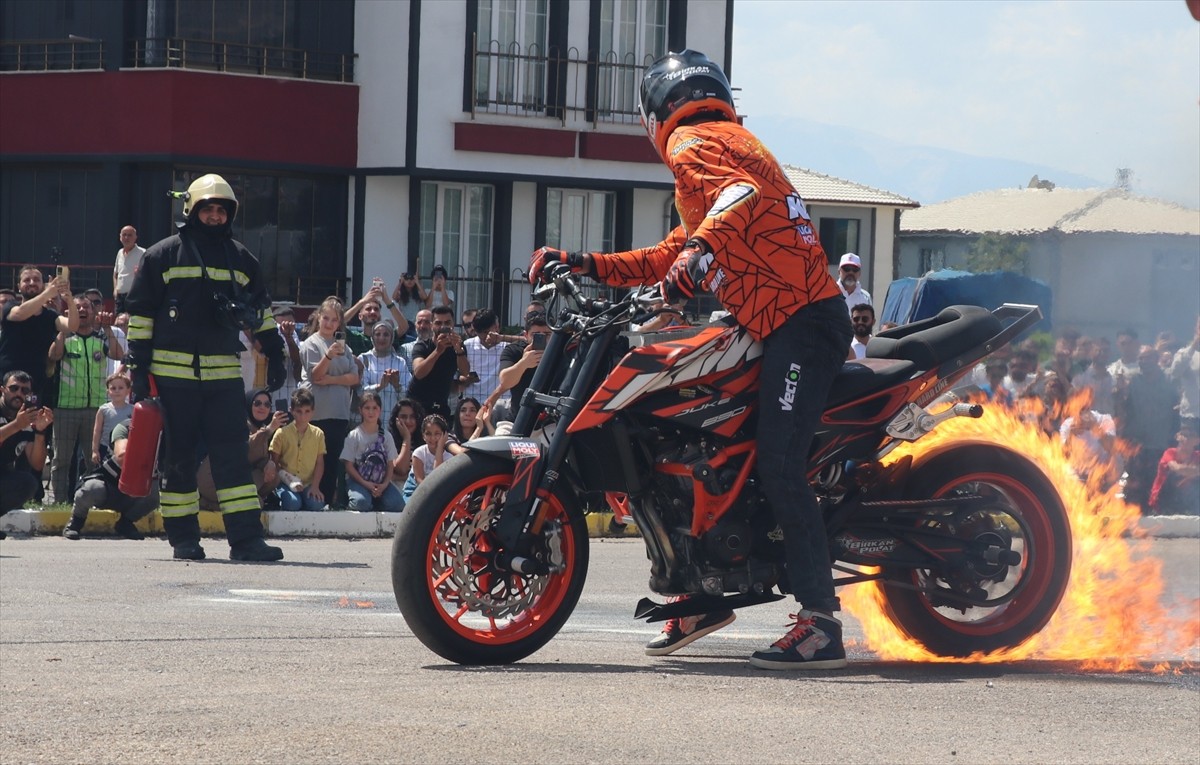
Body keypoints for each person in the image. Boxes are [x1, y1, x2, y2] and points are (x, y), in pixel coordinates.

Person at [528, 50, 852, 670]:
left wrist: (698, 254)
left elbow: (741, 197)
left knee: (780, 464)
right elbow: (671, 251)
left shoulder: (695, 144)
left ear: (656, 113)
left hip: (801, 324)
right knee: (685, 440)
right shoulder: (725, 143)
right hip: (768, 321)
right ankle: (703, 592)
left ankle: (820, 624)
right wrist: (586, 263)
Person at [125, 173, 287, 561]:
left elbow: (260, 311)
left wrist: (276, 351)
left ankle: (246, 541)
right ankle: (183, 539)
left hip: (224, 379)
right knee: (179, 458)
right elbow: (140, 316)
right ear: (191, 210)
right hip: (173, 378)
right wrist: (138, 369)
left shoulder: (242, 259)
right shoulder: (161, 255)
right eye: (207, 209)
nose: (214, 216)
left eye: (221, 210)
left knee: (232, 458)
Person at [48, 294, 124, 503]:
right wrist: (64, 329)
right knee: (61, 460)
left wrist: (108, 328)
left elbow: (119, 354)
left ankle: (93, 500)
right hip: (66, 408)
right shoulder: (66, 338)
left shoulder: (100, 339)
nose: (82, 310)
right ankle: (59, 501)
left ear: (94, 312)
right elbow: (54, 355)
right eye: (77, 307)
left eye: (86, 307)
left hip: (96, 410)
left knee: (95, 460)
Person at [299, 296, 360, 505]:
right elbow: (316, 376)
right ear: (319, 317)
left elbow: (354, 377)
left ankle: (326, 502)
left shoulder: (345, 347)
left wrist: (332, 380)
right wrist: (329, 357)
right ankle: (307, 500)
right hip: (315, 414)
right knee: (313, 460)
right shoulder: (311, 343)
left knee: (332, 459)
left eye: (334, 320)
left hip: (338, 413)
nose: (329, 323)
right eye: (326, 318)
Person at [63, 417, 158, 541]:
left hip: (136, 489)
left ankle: (125, 523)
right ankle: (75, 523)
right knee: (89, 489)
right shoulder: (124, 427)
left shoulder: (164, 432)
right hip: (110, 483)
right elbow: (121, 457)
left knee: (156, 493)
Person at [198, 389, 285, 511]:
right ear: (248, 404)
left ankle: (215, 503)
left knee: (273, 475)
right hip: (213, 481)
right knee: (256, 503)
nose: (262, 407)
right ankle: (210, 503)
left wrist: (268, 463)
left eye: (267, 404)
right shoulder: (238, 422)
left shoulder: (260, 428)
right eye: (257, 403)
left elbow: (255, 457)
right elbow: (241, 447)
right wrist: (270, 429)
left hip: (232, 479)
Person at [1118, 345, 1181, 511]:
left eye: (1147, 358)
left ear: (1156, 359)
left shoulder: (1168, 381)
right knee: (1136, 481)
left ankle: (1162, 511)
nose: (1143, 362)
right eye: (1141, 359)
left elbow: (1176, 408)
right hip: (1138, 442)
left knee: (1161, 479)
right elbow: (1125, 409)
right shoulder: (1133, 381)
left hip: (1162, 441)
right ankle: (1137, 512)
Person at [0, 265, 79, 396]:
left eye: (36, 280)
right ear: (18, 286)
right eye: (27, 280)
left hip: (34, 384)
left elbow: (72, 326)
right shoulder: (11, 306)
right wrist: (47, 293)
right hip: (7, 383)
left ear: (43, 284)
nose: (32, 283)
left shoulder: (50, 315)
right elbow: (20, 314)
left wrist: (69, 299)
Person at [0, 371, 54, 537]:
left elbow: (37, 464)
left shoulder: (26, 419)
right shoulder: (20, 421)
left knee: (28, 483)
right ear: (2, 390)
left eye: (25, 391)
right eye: (14, 388)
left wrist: (39, 431)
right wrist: (16, 425)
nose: (19, 394)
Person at [340, 391, 404, 512]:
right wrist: (365, 484)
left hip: (381, 481)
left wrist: (384, 484)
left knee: (397, 504)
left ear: (380, 410)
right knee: (361, 503)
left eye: (375, 408)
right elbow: (348, 466)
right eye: (367, 408)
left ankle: (376, 501)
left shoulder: (387, 436)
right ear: (360, 410)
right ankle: (362, 500)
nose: (371, 412)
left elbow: (390, 465)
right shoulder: (354, 435)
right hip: (358, 480)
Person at [407, 304, 470, 418]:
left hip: (441, 405)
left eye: (447, 323)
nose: (443, 326)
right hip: (417, 405)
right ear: (431, 325)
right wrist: (438, 351)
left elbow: (465, 371)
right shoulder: (422, 346)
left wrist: (458, 350)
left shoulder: (458, 346)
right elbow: (418, 373)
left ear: (453, 324)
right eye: (438, 323)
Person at [269, 388, 327, 512]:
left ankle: (305, 500)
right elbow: (274, 462)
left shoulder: (318, 434)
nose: (303, 416)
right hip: (285, 482)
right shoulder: (281, 433)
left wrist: (315, 486)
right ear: (291, 411)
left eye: (307, 411)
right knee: (293, 504)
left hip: (307, 483)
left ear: (313, 412)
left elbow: (320, 462)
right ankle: (281, 498)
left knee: (317, 504)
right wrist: (288, 479)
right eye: (299, 411)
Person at [495, 312, 551, 423]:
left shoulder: (562, 353)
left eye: (547, 334)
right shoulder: (514, 351)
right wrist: (523, 363)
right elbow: (505, 381)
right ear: (526, 335)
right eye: (536, 335)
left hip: (550, 422)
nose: (543, 339)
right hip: (516, 420)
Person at [358, 320, 411, 419]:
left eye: (386, 334)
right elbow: (359, 392)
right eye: (377, 334)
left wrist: (397, 386)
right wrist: (379, 386)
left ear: (391, 338)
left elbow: (408, 395)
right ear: (372, 337)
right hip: (368, 419)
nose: (381, 338)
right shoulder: (364, 359)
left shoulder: (400, 362)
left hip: (393, 418)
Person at [1148, 421, 1200, 515]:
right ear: (1178, 436)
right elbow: (1176, 469)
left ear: (1197, 440)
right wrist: (1195, 471)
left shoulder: (1197, 456)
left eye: (1190, 435)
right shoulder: (1170, 453)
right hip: (1162, 503)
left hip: (1186, 501)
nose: (1185, 438)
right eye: (1183, 434)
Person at [460, 308, 510, 403]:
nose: (484, 337)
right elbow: (459, 376)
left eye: (487, 332)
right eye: (480, 333)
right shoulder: (466, 345)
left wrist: (503, 338)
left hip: (501, 403)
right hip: (473, 404)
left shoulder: (508, 347)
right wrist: (467, 379)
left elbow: (530, 340)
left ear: (497, 327)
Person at [343, 283, 409, 354]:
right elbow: (339, 323)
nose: (373, 312)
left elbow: (404, 327)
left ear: (380, 316)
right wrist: (361, 302)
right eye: (368, 309)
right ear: (360, 316)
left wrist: (387, 300)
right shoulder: (355, 337)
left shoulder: (387, 336)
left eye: (376, 309)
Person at [401, 413, 453, 503]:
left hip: (437, 493)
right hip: (415, 492)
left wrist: (440, 447)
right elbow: (419, 481)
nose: (432, 438)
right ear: (423, 436)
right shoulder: (419, 453)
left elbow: (438, 478)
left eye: (437, 434)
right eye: (428, 434)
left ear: (444, 435)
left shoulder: (449, 457)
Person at [91, 372, 133, 466]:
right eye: (113, 388)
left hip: (124, 450)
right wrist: (95, 450)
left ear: (128, 391)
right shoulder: (103, 409)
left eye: (121, 388)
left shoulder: (133, 410)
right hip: (105, 449)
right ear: (108, 391)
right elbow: (97, 431)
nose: (117, 391)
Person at [1167, 316, 1199, 427]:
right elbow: (1175, 372)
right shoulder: (1184, 353)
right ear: (1196, 328)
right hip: (1192, 416)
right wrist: (1194, 345)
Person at [388, 398, 424, 496]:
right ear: (396, 419)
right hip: (394, 488)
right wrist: (406, 438)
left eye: (412, 417)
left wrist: (400, 476)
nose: (408, 421)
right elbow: (401, 469)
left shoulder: (425, 440)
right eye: (403, 417)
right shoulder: (388, 439)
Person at [113, 225, 145, 313]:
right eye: (124, 235)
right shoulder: (119, 253)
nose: (126, 237)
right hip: (119, 297)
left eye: (130, 235)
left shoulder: (143, 253)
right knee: (118, 322)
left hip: (134, 296)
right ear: (120, 237)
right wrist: (115, 289)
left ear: (135, 237)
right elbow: (116, 273)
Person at [391, 271, 429, 335]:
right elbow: (394, 297)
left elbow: (425, 297)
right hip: (404, 323)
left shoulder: (418, 293)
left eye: (412, 279)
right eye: (406, 279)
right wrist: (400, 283)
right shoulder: (401, 293)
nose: (409, 281)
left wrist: (417, 282)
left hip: (415, 323)